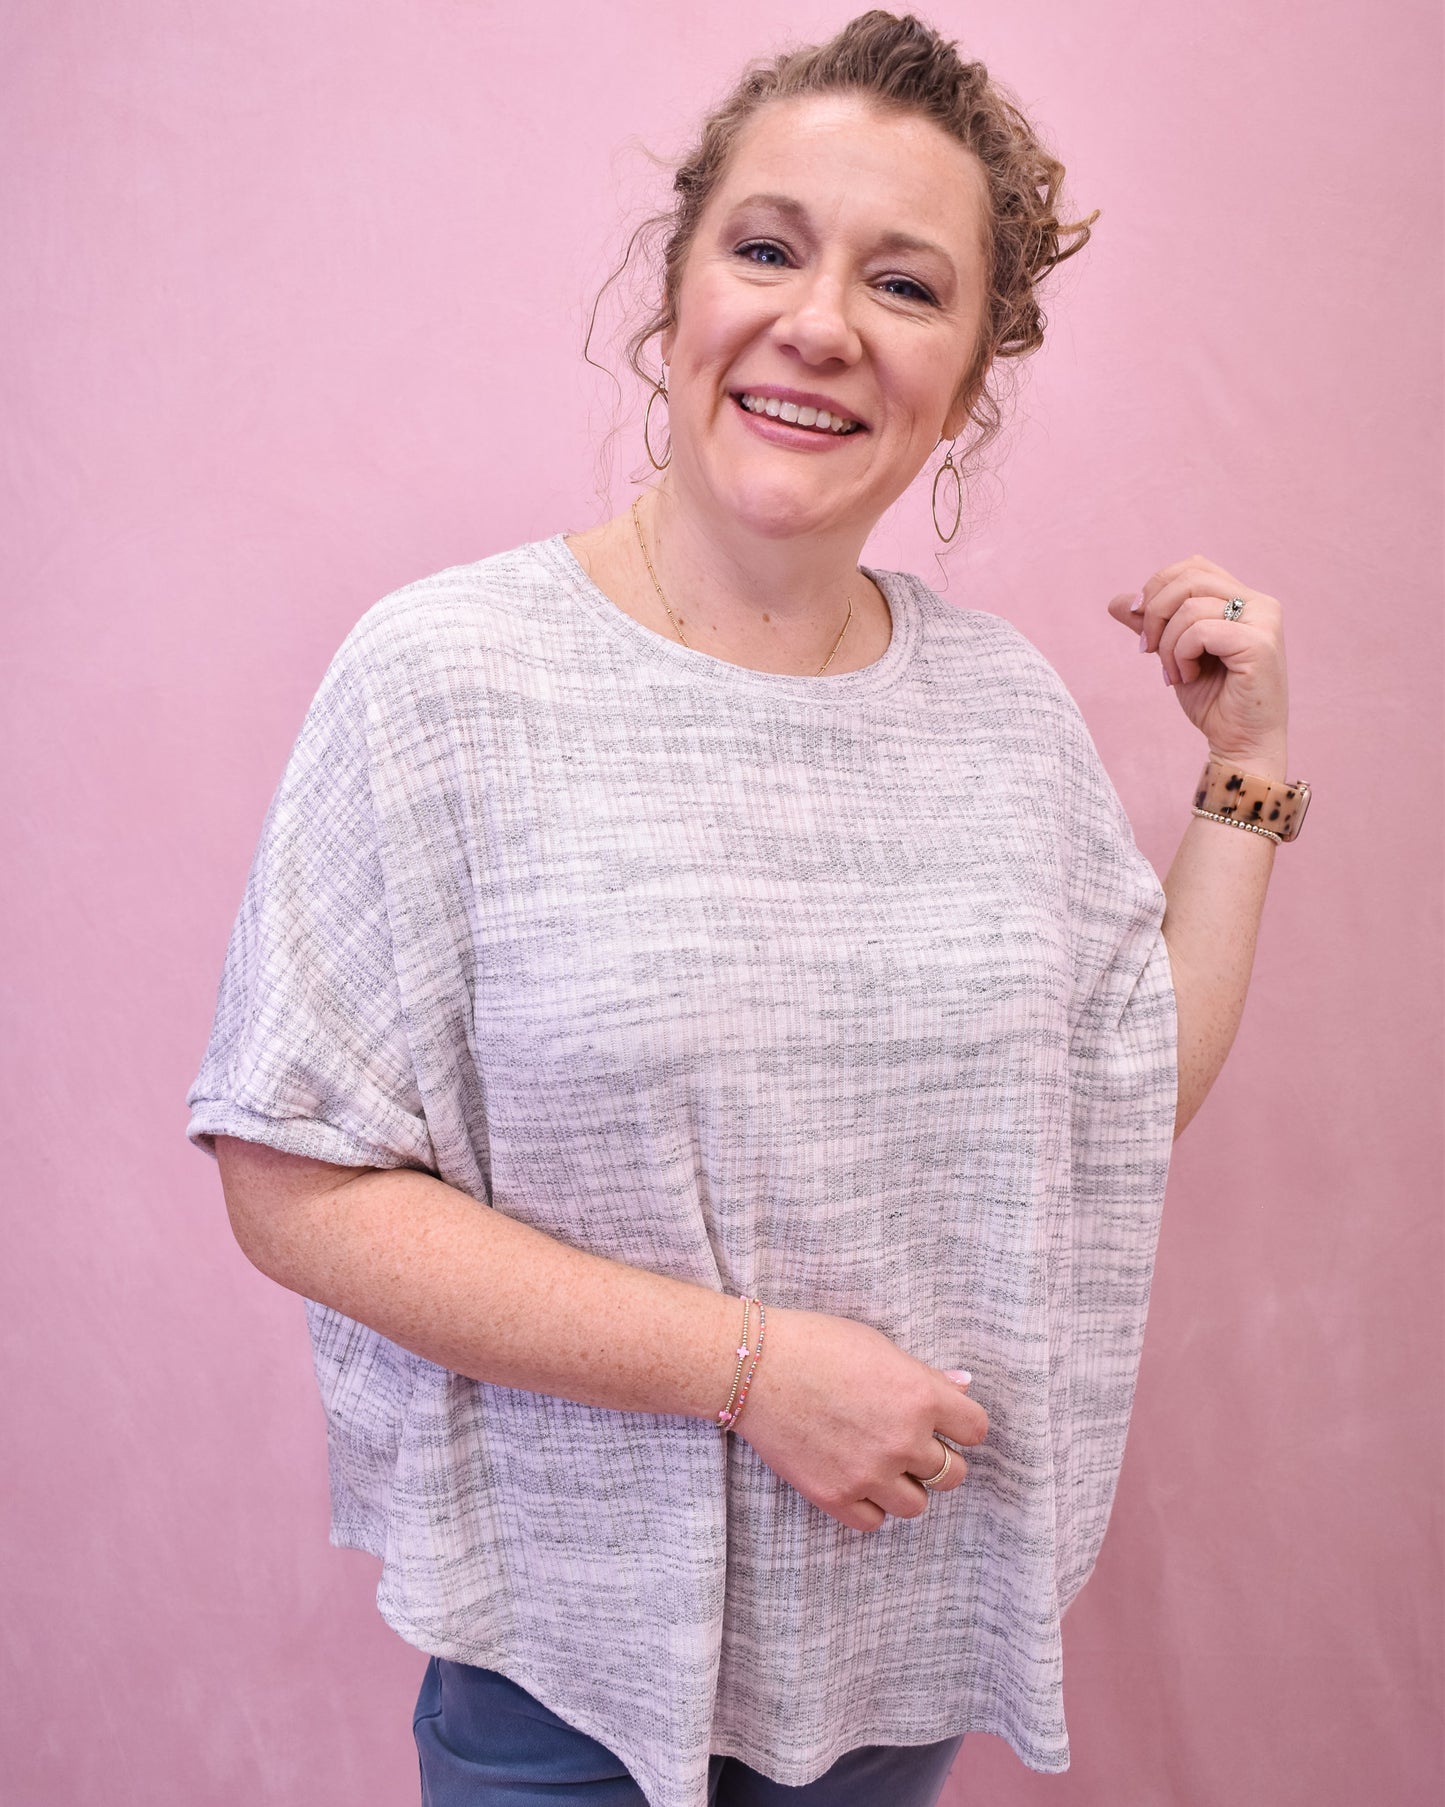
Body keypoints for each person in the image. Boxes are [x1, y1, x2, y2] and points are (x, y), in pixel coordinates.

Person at [185, 12, 1306, 1806]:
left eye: (905, 285)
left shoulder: (1002, 713)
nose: (820, 324)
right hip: (566, 1680)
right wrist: (754, 1372)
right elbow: (294, 1178)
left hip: (895, 1650)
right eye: (768, 249)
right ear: (677, 290)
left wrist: (1243, 777)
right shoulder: (445, 681)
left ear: (966, 377)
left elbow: (1107, 1104)